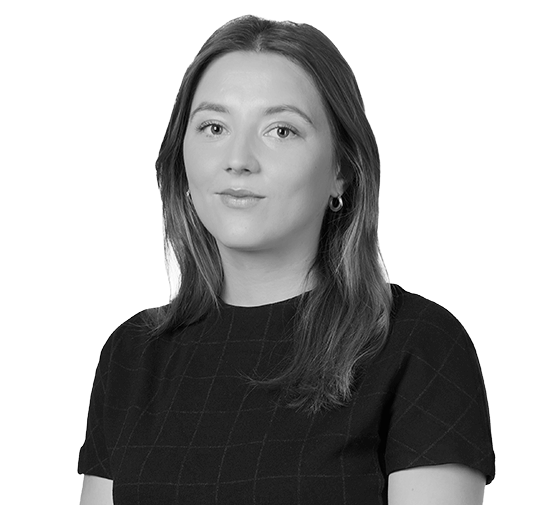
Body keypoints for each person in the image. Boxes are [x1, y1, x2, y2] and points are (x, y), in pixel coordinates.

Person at [78, 15, 495, 504]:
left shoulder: (419, 345)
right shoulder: (132, 354)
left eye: (281, 130)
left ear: (342, 170)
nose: (238, 160)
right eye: (213, 126)